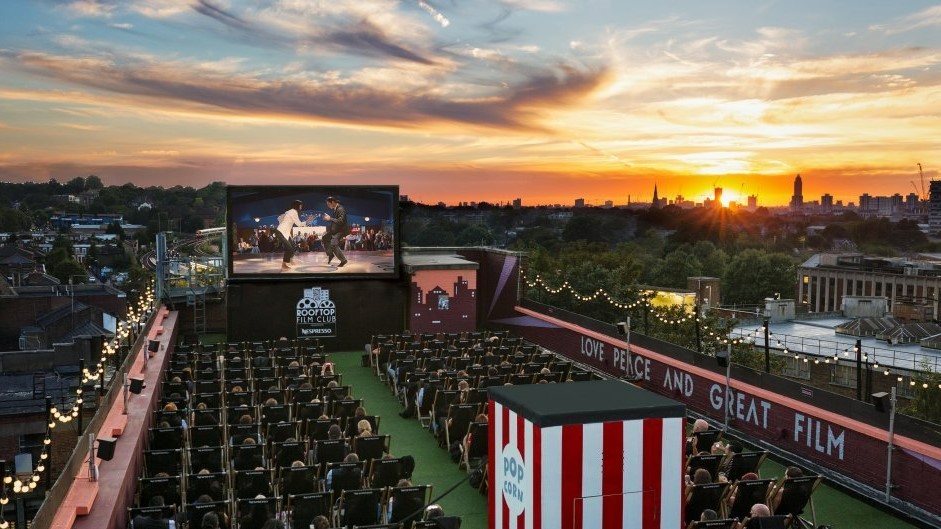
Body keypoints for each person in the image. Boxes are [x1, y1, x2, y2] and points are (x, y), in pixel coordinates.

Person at [275, 199, 309, 272]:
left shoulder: (289, 212)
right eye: (300, 205)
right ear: (297, 206)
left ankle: (290, 259)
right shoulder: (293, 212)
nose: (301, 207)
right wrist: (307, 221)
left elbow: (279, 218)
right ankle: (284, 264)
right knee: (289, 248)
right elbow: (299, 224)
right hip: (281, 232)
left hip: (285, 232)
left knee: (293, 246)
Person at [321, 196, 348, 267]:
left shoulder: (341, 209)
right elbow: (335, 220)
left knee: (333, 244)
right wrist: (329, 219)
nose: (328, 206)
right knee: (325, 238)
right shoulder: (335, 208)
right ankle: (330, 254)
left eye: (328, 204)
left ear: (332, 202)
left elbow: (341, 221)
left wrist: (330, 218)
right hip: (335, 230)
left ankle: (343, 260)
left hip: (341, 231)